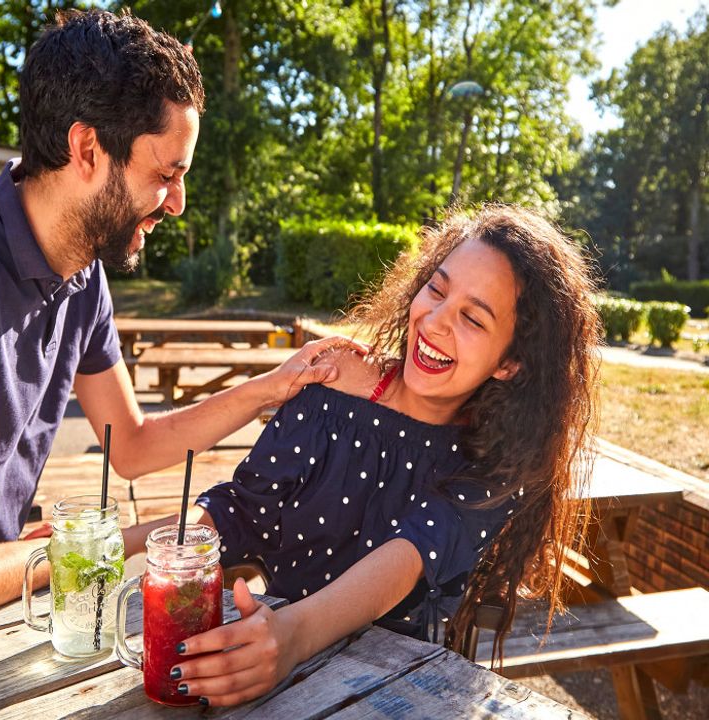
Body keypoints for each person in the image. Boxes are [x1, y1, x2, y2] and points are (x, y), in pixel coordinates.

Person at [0, 9, 361, 656]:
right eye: (166, 174)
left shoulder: (81, 271)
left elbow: (133, 445)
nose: (177, 203)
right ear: (87, 149)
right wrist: (49, 558)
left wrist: (273, 387)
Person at [122, 204, 601, 707]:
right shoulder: (332, 389)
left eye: (473, 319)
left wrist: (290, 637)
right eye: (436, 290)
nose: (435, 321)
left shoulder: (497, 468)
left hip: (403, 692)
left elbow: (406, 558)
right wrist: (116, 545)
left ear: (511, 362)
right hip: (266, 678)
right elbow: (242, 508)